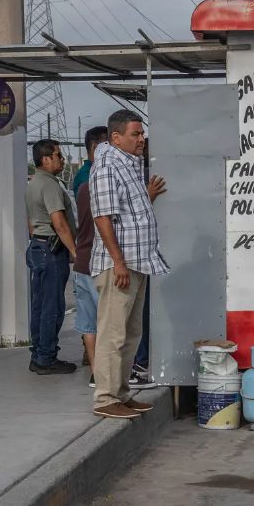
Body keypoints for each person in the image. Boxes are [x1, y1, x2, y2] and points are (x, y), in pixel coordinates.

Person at [90, 109, 168, 420]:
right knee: (113, 333)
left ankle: (121, 393)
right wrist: (118, 262)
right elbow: (102, 217)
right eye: (135, 134)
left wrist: (147, 197)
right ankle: (106, 398)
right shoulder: (107, 167)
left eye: (142, 133)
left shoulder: (128, 166)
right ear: (116, 137)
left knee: (131, 333)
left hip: (137, 261)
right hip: (119, 266)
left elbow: (128, 213)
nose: (141, 139)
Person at [24, 139, 77, 375]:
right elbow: (59, 223)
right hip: (51, 250)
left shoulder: (34, 182)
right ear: (46, 159)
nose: (62, 159)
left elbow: (31, 223)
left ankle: (38, 353)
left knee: (40, 305)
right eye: (58, 155)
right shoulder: (49, 185)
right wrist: (75, 251)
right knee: (52, 307)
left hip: (39, 246)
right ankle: (46, 358)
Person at [73, 125, 108, 386]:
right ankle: (107, 373)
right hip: (100, 263)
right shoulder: (105, 187)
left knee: (88, 323)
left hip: (81, 262)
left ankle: (96, 371)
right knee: (109, 321)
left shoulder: (83, 187)